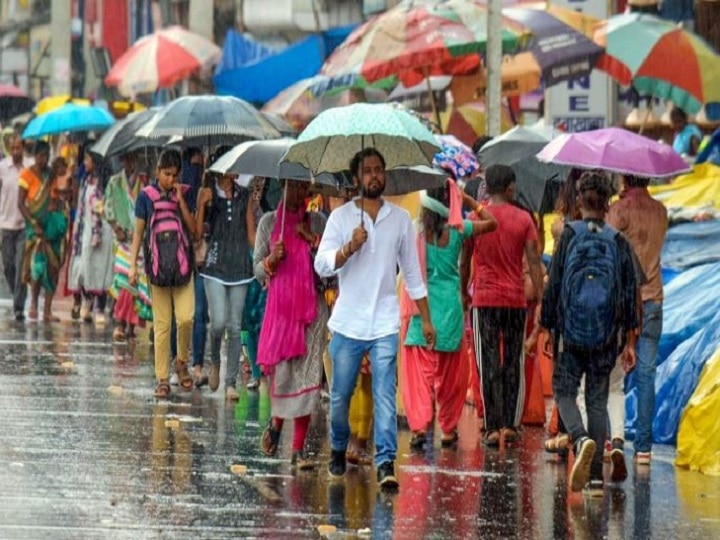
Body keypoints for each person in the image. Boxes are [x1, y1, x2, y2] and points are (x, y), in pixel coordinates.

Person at [315, 148, 436, 489]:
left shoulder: (399, 220)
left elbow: (412, 273)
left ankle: (385, 462)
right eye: (367, 170)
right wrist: (348, 248)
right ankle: (338, 447)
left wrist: (426, 320)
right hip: (348, 323)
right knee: (339, 397)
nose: (374, 176)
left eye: (379, 169)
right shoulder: (340, 219)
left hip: (385, 321)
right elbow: (322, 264)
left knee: (384, 393)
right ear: (356, 178)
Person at [540, 172, 639, 497]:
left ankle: (580, 439)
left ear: (580, 200)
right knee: (597, 399)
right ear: (608, 202)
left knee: (564, 390)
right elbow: (628, 290)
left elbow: (554, 284)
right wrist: (626, 336)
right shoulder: (618, 241)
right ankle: (596, 480)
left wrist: (547, 326)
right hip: (606, 335)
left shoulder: (568, 235)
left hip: (572, 332)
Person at [401, 180, 497, 450]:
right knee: (451, 375)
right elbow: (492, 224)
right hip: (451, 308)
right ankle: (447, 429)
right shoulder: (459, 229)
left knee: (420, 375)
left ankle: (419, 427)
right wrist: (470, 201)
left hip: (424, 308)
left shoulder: (417, 233)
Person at [254, 178, 328, 469]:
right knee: (284, 375)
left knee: (308, 378)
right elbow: (258, 268)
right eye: (293, 186)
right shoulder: (270, 223)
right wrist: (272, 259)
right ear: (283, 186)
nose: (299, 193)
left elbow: (330, 270)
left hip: (313, 310)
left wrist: (312, 242)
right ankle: (276, 423)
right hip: (281, 312)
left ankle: (297, 450)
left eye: (303, 187)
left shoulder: (320, 222)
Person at [469, 164, 543, 447]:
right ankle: (511, 425)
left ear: (487, 187)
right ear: (510, 187)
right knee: (514, 361)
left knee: (486, 362)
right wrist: (540, 297)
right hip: (515, 301)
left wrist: (466, 291)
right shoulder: (524, 220)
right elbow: (534, 263)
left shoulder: (476, 217)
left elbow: (466, 258)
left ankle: (490, 426)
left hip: (484, 300)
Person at [607, 174, 668, 468]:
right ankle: (643, 449)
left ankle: (610, 437)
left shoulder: (618, 211)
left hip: (623, 302)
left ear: (625, 177)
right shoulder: (661, 210)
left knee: (612, 374)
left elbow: (608, 247)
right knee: (646, 375)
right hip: (653, 298)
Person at [129, 149, 198, 399]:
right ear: (158, 171)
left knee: (186, 317)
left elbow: (194, 231)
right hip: (156, 269)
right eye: (167, 174)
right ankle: (162, 378)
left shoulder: (185, 194)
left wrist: (181, 202)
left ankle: (181, 361)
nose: (171, 179)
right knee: (162, 325)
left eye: (174, 175)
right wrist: (132, 266)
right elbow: (138, 232)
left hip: (182, 267)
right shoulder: (145, 197)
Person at [195, 170, 255, 399]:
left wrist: (265, 253)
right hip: (214, 266)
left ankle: (230, 383)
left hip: (240, 266)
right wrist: (202, 205)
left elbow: (250, 233)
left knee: (234, 326)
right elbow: (198, 234)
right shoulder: (209, 194)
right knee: (218, 321)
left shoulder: (245, 195)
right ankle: (215, 360)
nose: (238, 170)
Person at [17, 142, 68, 321]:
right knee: (37, 267)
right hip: (35, 228)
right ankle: (33, 305)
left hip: (50, 228)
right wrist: (33, 222)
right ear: (35, 156)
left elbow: (55, 197)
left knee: (53, 268)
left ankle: (47, 311)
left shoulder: (50, 174)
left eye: (46, 156)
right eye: (41, 156)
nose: (44, 159)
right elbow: (21, 203)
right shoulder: (26, 175)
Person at [104, 152, 151, 342]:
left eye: (134, 159)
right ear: (123, 160)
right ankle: (119, 323)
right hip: (123, 241)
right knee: (124, 281)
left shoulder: (145, 185)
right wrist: (116, 227)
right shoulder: (114, 182)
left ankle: (131, 325)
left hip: (139, 242)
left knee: (136, 283)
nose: (131, 162)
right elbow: (107, 208)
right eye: (128, 159)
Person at [68, 151, 114, 324]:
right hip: (85, 232)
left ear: (95, 161)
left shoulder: (108, 184)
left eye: (87, 159)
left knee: (101, 269)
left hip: (104, 233)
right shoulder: (85, 181)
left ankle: (100, 308)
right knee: (85, 268)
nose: (84, 162)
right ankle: (86, 303)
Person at [0, 134, 31, 320]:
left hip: (23, 225)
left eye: (19, 148)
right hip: (5, 223)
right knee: (8, 266)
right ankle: (16, 293)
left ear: (23, 148)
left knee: (21, 266)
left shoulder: (29, 167)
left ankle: (19, 305)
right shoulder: (3, 167)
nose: (16, 151)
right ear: (10, 149)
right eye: (14, 148)